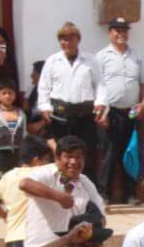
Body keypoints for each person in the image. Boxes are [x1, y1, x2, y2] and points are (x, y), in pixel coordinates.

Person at [36, 22, 104, 180]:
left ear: (78, 40)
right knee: (63, 153)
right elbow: (44, 87)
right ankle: (62, 187)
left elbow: (100, 84)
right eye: (64, 39)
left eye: (71, 38)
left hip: (85, 115)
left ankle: (88, 191)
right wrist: (44, 106)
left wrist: (101, 102)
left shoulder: (91, 61)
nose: (67, 42)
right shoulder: (52, 61)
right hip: (61, 115)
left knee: (87, 152)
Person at [20, 135, 107, 247]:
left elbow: (101, 218)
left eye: (78, 157)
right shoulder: (46, 173)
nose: (74, 162)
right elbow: (25, 184)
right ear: (57, 158)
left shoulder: (86, 182)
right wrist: (59, 197)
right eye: (68, 157)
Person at [93, 17, 144, 202]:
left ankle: (130, 194)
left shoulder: (137, 56)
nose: (121, 33)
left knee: (129, 153)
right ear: (110, 33)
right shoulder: (101, 57)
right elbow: (95, 86)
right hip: (109, 112)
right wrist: (100, 113)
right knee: (109, 154)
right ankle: (104, 194)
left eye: (124, 30)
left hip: (131, 112)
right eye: (117, 30)